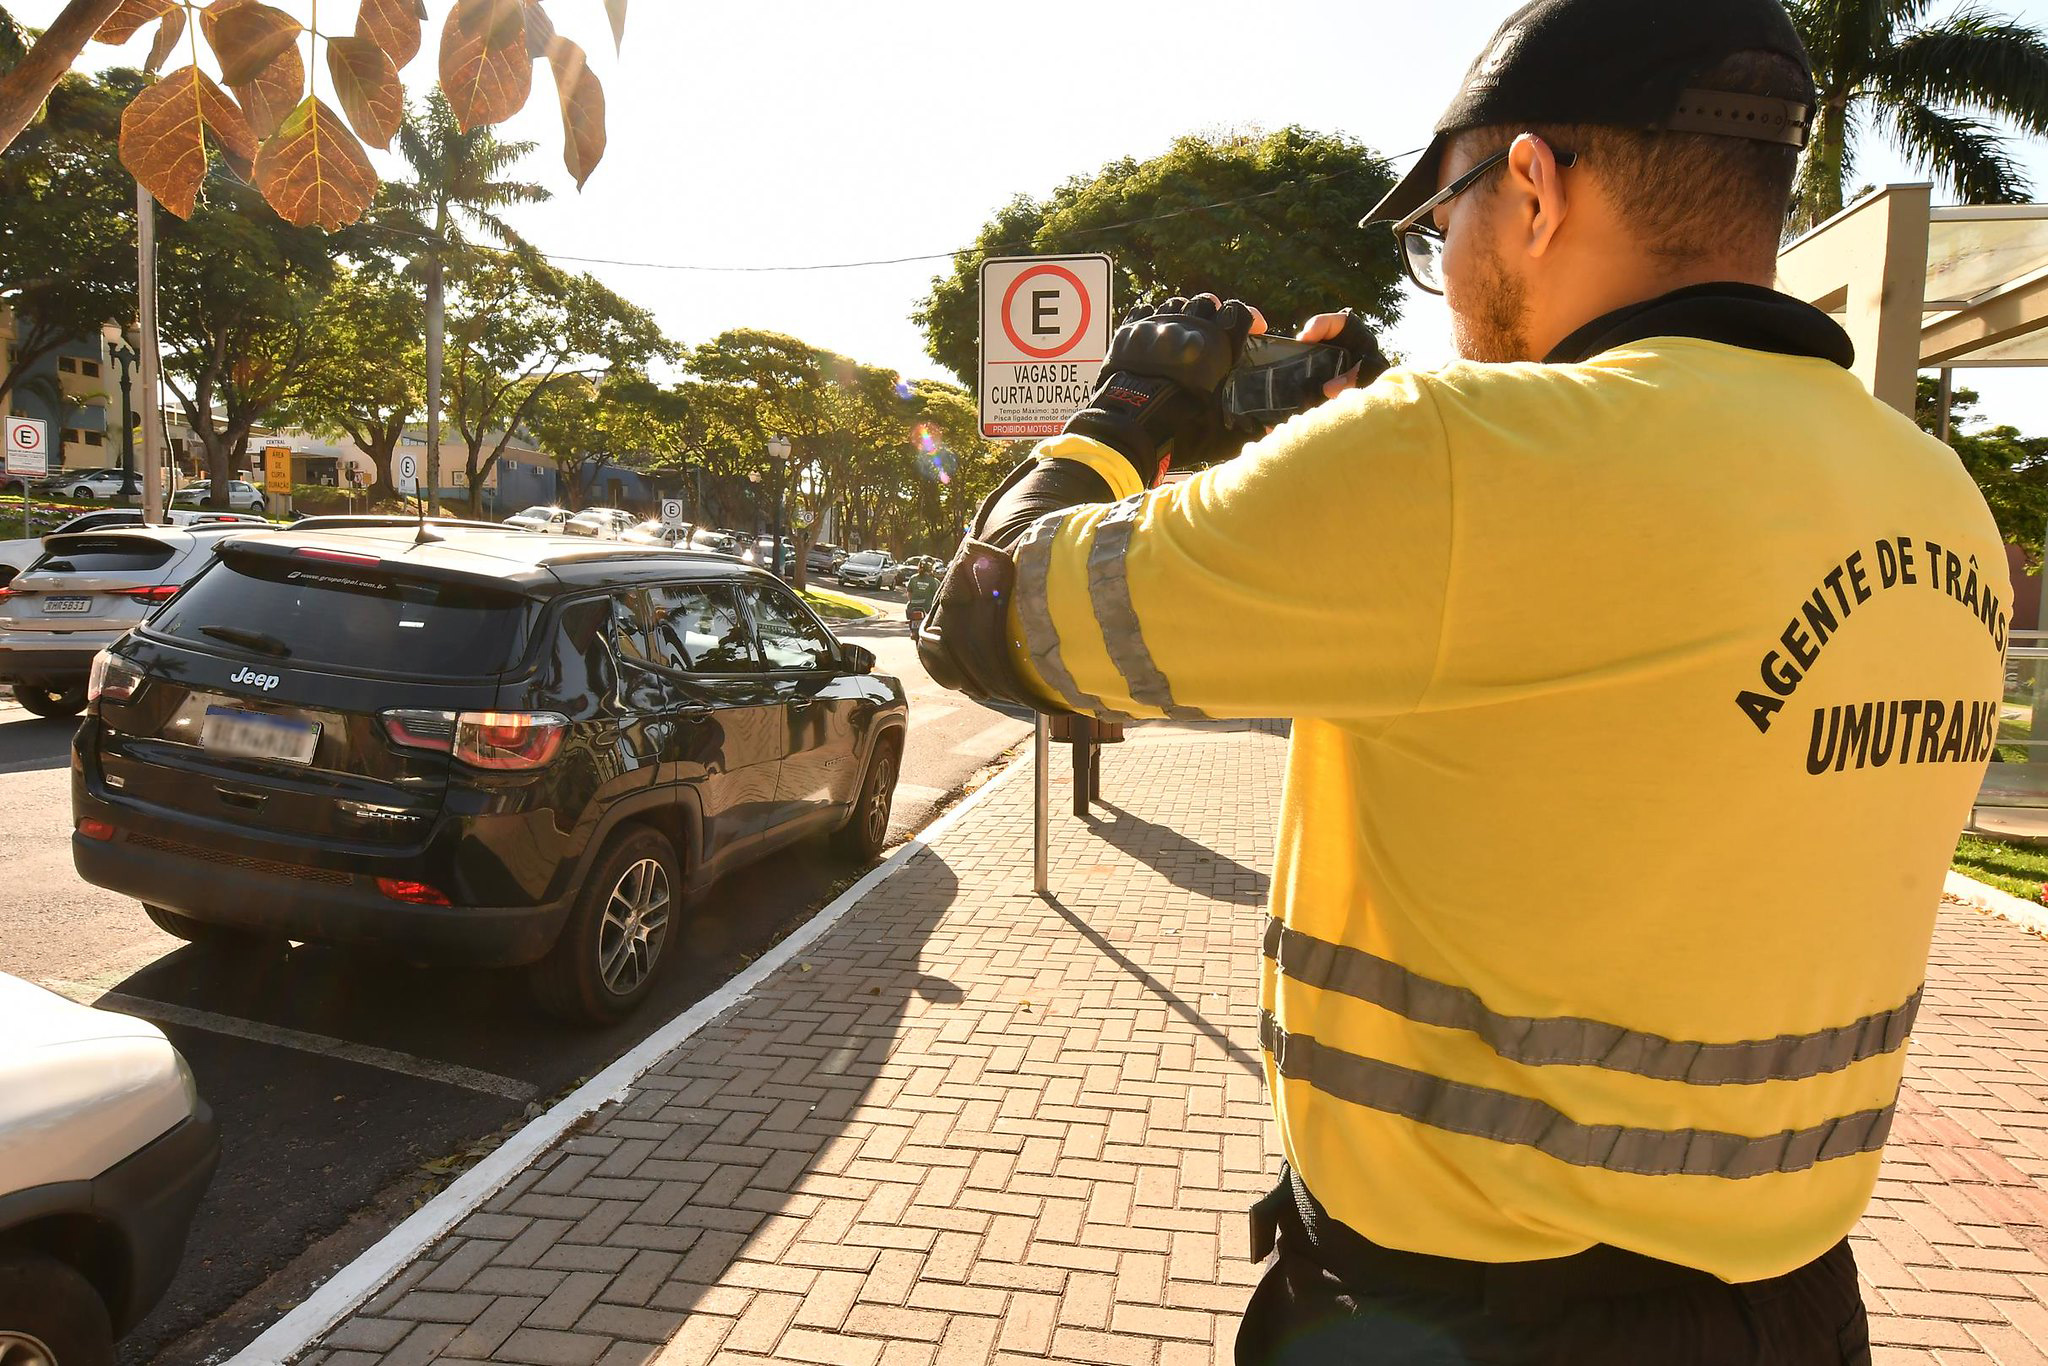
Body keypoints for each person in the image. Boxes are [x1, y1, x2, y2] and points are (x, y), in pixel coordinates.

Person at [917, 0, 2009, 1360]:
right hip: (1796, 1311)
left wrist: (1122, 409)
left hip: (1459, 1316)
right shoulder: (1935, 501)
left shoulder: (1457, 458)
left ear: (1536, 185)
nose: (1448, 257)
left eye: (1442, 222)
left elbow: (981, 617)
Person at [904, 559, 939, 632]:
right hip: (927, 607)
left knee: (908, 606)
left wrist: (912, 601)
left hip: (913, 606)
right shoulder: (933, 581)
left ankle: (913, 630)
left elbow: (909, 592)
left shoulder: (913, 578)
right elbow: (936, 595)